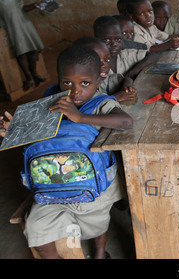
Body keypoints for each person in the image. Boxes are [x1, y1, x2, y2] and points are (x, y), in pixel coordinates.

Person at [1, 46, 134, 259]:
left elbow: (126, 121)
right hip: (50, 187)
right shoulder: (50, 103)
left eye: (85, 83)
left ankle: (100, 253)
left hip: (93, 187)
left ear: (98, 83)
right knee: (37, 228)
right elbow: (35, 138)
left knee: (98, 223)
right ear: (58, 81)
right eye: (67, 83)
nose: (75, 91)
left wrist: (80, 117)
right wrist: (14, 131)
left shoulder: (100, 103)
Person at [0, 0, 46, 90]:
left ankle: (35, 74)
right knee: (21, 53)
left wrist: (36, 5)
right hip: (9, 29)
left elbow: (21, 9)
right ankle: (28, 77)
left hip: (24, 25)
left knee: (32, 50)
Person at [93, 15, 157, 101]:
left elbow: (153, 56)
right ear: (96, 40)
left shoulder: (126, 54)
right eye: (107, 40)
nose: (114, 44)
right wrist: (116, 96)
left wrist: (131, 74)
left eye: (118, 39)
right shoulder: (92, 65)